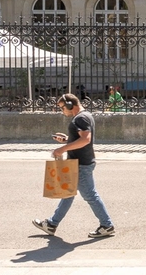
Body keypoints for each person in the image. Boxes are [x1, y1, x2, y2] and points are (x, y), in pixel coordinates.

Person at [33, 94, 115, 239]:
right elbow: (80, 138)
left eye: (63, 107)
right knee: (68, 194)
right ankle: (52, 224)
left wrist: (62, 149)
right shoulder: (85, 115)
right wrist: (66, 140)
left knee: (90, 195)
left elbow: (85, 140)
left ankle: (107, 225)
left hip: (81, 164)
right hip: (79, 162)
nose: (63, 111)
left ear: (70, 105)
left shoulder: (80, 118)